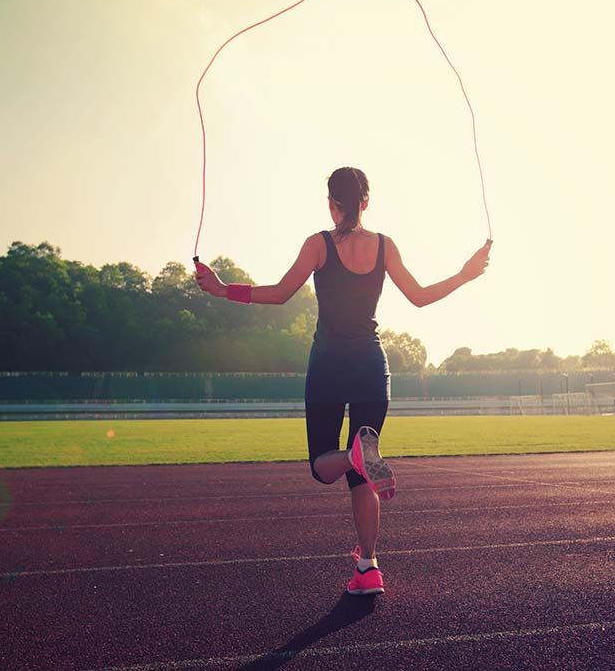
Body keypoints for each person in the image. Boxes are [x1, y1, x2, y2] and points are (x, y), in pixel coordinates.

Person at [195, 166, 491, 595]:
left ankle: (354, 459)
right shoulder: (385, 246)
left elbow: (279, 293)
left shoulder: (319, 244)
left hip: (329, 365)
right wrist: (465, 273)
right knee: (363, 475)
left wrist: (224, 290)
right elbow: (421, 297)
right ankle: (369, 567)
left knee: (322, 466)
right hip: (373, 366)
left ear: (331, 204)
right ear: (366, 203)